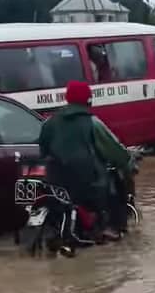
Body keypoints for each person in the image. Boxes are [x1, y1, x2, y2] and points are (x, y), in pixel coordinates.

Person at [39, 80, 118, 241]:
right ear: (88, 100)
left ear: (67, 98)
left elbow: (43, 150)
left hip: (55, 182)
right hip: (86, 183)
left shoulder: (50, 122)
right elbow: (114, 150)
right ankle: (107, 228)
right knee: (110, 186)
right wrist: (129, 163)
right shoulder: (93, 123)